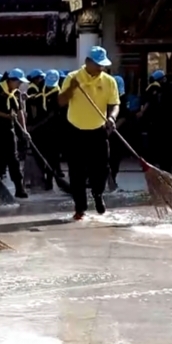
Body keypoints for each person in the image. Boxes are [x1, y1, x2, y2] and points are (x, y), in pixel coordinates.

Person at [58, 46, 119, 220]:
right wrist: (72, 88)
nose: (101, 68)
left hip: (98, 130)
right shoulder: (73, 77)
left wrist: (112, 117)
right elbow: (61, 102)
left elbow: (115, 104)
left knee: (101, 169)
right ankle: (80, 207)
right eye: (97, 64)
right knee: (77, 171)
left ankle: (98, 194)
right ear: (87, 62)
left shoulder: (109, 81)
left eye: (102, 65)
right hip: (75, 130)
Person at [0, 69, 29, 198]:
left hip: (9, 130)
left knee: (13, 159)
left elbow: (20, 112)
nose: (19, 85)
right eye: (18, 82)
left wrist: (24, 130)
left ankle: (19, 188)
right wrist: (6, 116)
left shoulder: (16, 94)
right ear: (11, 80)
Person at [26, 69, 62, 191]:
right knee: (39, 155)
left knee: (52, 157)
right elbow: (34, 101)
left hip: (53, 131)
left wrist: (34, 126)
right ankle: (41, 178)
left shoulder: (59, 95)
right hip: (39, 132)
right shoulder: (41, 92)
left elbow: (52, 114)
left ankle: (49, 180)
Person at [139, 70, 165, 165]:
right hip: (152, 118)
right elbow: (149, 101)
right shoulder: (155, 87)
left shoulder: (150, 87)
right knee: (153, 139)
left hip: (150, 117)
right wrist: (142, 112)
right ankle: (151, 159)